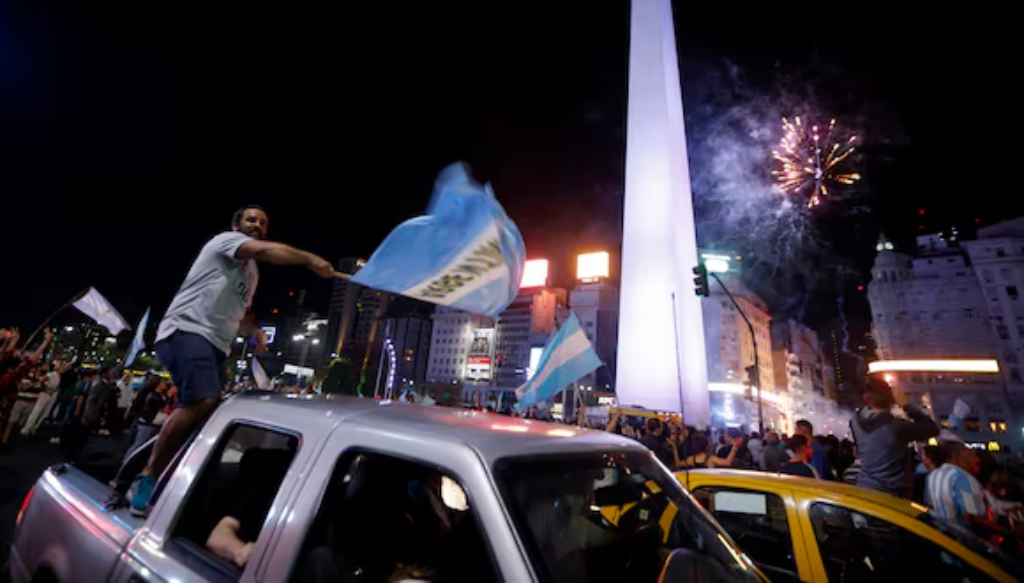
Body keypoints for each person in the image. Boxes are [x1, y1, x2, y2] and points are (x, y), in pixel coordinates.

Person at [129, 205, 334, 516]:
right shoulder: (224, 241)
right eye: (252, 219)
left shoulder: (252, 273)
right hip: (186, 331)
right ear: (237, 226)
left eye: (264, 222)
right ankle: (147, 478)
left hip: (215, 344)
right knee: (201, 399)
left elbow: (241, 313)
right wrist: (310, 259)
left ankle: (171, 470)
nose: (258, 225)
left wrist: (256, 332)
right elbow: (267, 251)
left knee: (207, 413)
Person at [850, 377, 939, 498]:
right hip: (894, 494)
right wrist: (906, 405)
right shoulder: (897, 427)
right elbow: (932, 429)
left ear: (866, 399)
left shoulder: (855, 422)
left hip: (865, 489)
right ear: (892, 400)